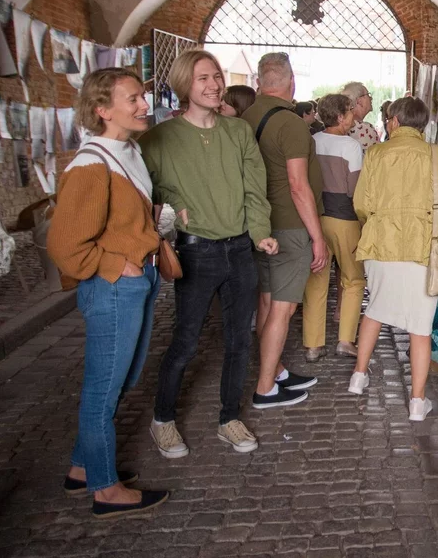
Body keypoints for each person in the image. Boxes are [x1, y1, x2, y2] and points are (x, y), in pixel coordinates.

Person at [140, 50, 279, 458]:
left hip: (239, 250)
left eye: (216, 76)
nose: (214, 84)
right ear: (185, 84)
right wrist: (171, 205)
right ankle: (162, 419)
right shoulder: (160, 138)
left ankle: (228, 418)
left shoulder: (237, 132)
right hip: (196, 251)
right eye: (203, 78)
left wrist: (261, 233)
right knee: (185, 340)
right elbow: (140, 188)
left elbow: (255, 186)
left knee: (239, 340)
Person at [48, 67, 169, 518]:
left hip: (136, 280)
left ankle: (82, 469)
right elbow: (65, 246)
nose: (143, 105)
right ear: (102, 109)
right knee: (103, 389)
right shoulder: (91, 164)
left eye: (142, 96)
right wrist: (117, 263)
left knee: (122, 381)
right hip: (114, 286)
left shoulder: (126, 150)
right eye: (133, 99)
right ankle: (105, 489)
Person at [350, 96, 438, 422]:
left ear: (395, 120)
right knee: (420, 329)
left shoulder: (375, 153)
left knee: (375, 309)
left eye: (387, 119)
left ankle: (358, 376)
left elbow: (361, 203)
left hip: (381, 246)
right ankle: (417, 402)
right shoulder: (437, 156)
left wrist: (380, 222)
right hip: (422, 250)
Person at [241, 52, 327, 408]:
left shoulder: (247, 117)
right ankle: (265, 388)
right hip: (290, 225)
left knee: (266, 301)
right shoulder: (290, 123)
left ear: (259, 82)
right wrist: (317, 236)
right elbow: (297, 184)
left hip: (259, 223)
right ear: (291, 82)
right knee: (283, 308)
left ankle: (275, 369)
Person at [301, 94, 365, 362]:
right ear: (340, 117)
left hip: (316, 216)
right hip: (344, 219)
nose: (353, 116)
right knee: (353, 280)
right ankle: (345, 340)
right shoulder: (351, 145)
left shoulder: (313, 141)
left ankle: (313, 345)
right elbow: (355, 190)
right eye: (350, 112)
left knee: (316, 280)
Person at [339, 82, 380, 150]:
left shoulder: (339, 125)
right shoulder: (366, 129)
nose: (371, 98)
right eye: (368, 95)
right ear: (359, 101)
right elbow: (378, 156)